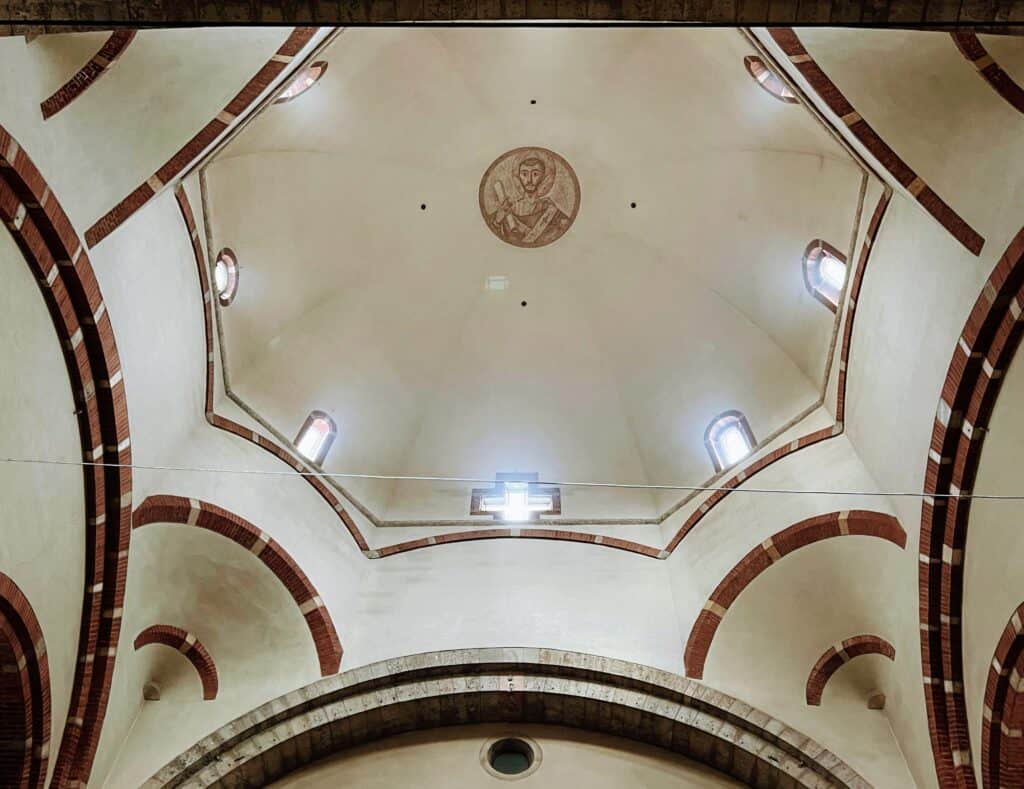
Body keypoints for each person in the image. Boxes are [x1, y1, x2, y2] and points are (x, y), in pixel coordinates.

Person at [489, 154, 571, 246]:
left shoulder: (553, 212)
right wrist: (497, 222)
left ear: (544, 177)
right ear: (518, 176)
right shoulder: (507, 208)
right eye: (524, 174)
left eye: (535, 174)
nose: (529, 180)